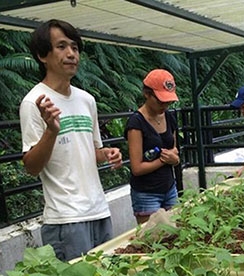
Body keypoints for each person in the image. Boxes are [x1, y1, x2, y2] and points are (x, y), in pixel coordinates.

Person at [20, 19, 123, 261]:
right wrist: (51, 131)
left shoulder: (87, 100)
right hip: (66, 219)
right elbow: (31, 167)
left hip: (99, 211)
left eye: (75, 47)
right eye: (62, 46)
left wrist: (106, 153)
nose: (71, 54)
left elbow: (93, 151)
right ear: (42, 55)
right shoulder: (34, 102)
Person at [124, 69, 180, 224]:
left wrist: (174, 159)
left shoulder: (169, 117)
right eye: (160, 101)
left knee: (177, 234)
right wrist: (164, 160)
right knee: (153, 239)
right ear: (147, 94)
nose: (165, 106)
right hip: (146, 194)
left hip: (169, 188)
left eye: (168, 102)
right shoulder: (136, 123)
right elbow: (137, 167)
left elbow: (174, 151)